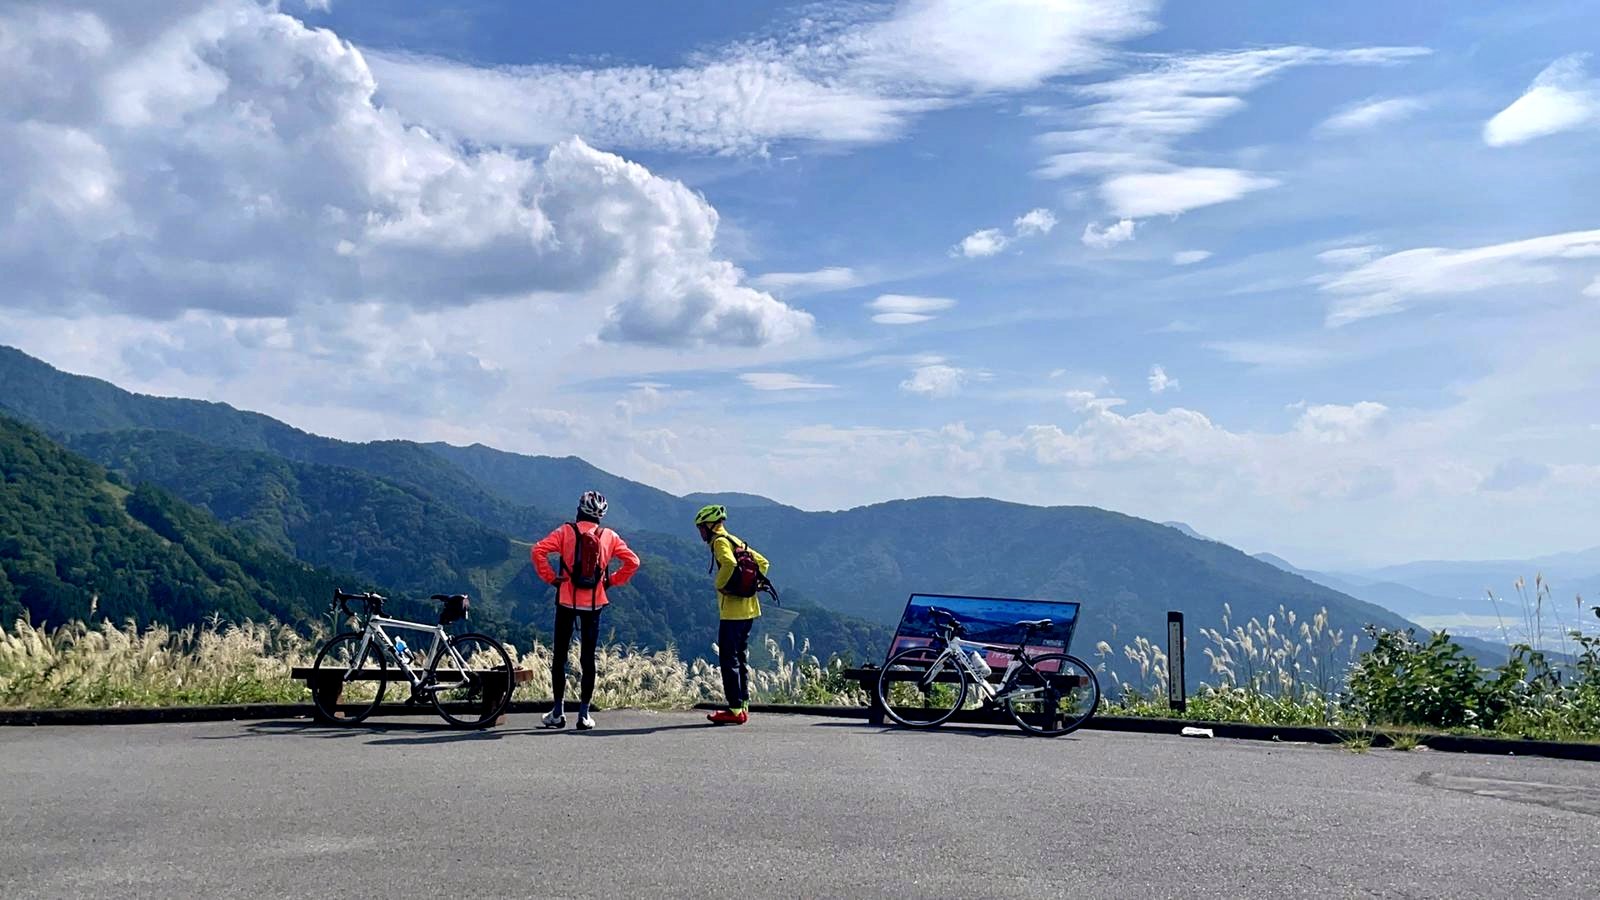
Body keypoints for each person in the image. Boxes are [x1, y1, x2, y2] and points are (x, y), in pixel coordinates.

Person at [531, 490, 640, 730]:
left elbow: (538, 550)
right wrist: (611, 581)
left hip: (566, 599)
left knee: (559, 656)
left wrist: (551, 577)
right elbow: (633, 562)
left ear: (579, 508)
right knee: (588, 659)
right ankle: (584, 714)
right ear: (601, 515)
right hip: (594, 603)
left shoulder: (565, 531)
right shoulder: (609, 536)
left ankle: (558, 712)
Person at [694, 504, 769, 725]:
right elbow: (764, 563)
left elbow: (728, 563)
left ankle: (734, 710)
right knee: (741, 657)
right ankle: (743, 705)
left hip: (732, 612)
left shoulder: (719, 542)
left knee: (729, 659)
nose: (700, 533)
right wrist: (749, 585)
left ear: (709, 526)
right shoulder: (736, 540)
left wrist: (720, 584)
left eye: (700, 528)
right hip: (750, 609)